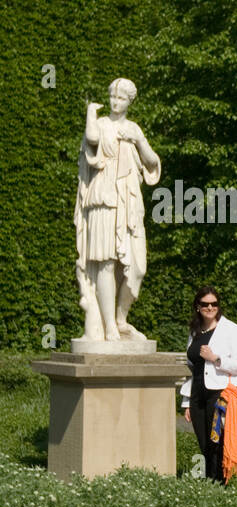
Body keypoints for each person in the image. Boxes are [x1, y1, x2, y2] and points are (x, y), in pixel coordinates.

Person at [74, 78, 161, 343]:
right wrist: (91, 112)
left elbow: (152, 163)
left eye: (121, 98)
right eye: (113, 96)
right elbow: (91, 140)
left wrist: (138, 139)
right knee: (106, 264)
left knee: (138, 267)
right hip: (104, 200)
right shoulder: (100, 125)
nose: (115, 101)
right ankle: (108, 326)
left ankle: (121, 319)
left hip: (130, 203)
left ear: (129, 101)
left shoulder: (134, 129)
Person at [179, 286, 237, 484]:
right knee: (203, 441)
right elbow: (192, 368)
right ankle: (209, 483)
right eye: (205, 304)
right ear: (197, 307)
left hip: (220, 394)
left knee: (217, 440)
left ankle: (221, 484)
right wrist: (186, 401)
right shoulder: (195, 331)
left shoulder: (231, 330)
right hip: (198, 394)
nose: (210, 307)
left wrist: (215, 358)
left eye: (214, 304)